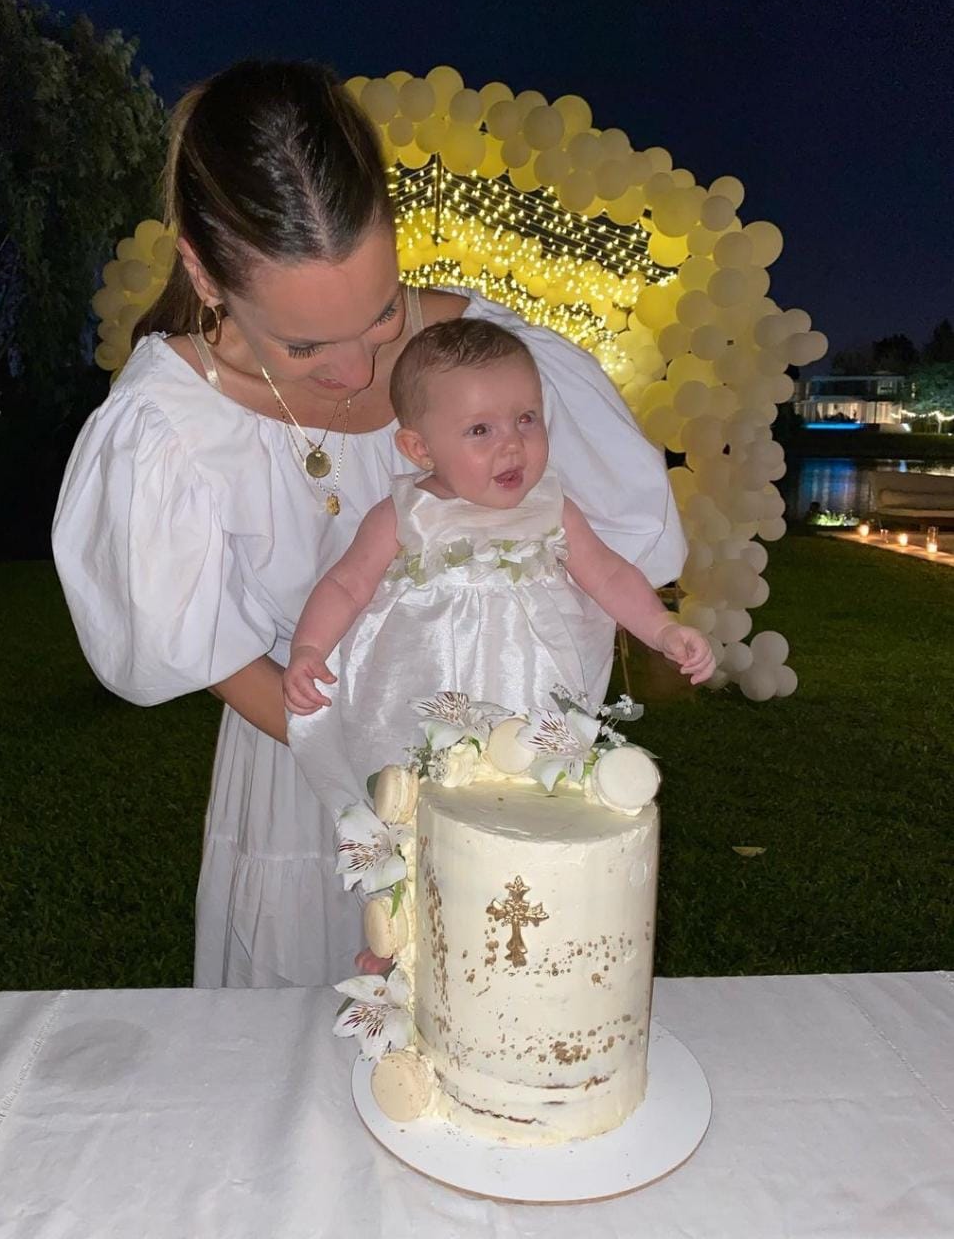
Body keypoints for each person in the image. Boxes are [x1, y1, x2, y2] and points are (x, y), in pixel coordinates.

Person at [52, 59, 688, 990]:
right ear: (203, 270)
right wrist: (387, 790)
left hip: (497, 782)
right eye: (305, 345)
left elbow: (604, 560)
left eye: (382, 312)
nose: (358, 372)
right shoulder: (166, 428)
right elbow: (214, 651)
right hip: (305, 773)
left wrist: (490, 781)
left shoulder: (497, 368)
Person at [284, 319, 713, 810]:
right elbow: (346, 584)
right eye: (480, 430)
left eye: (526, 419)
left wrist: (661, 628)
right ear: (420, 448)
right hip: (428, 692)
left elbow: (609, 574)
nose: (512, 444)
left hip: (529, 689)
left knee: (530, 801)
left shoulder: (552, 507)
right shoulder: (405, 514)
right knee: (428, 809)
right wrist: (309, 647)